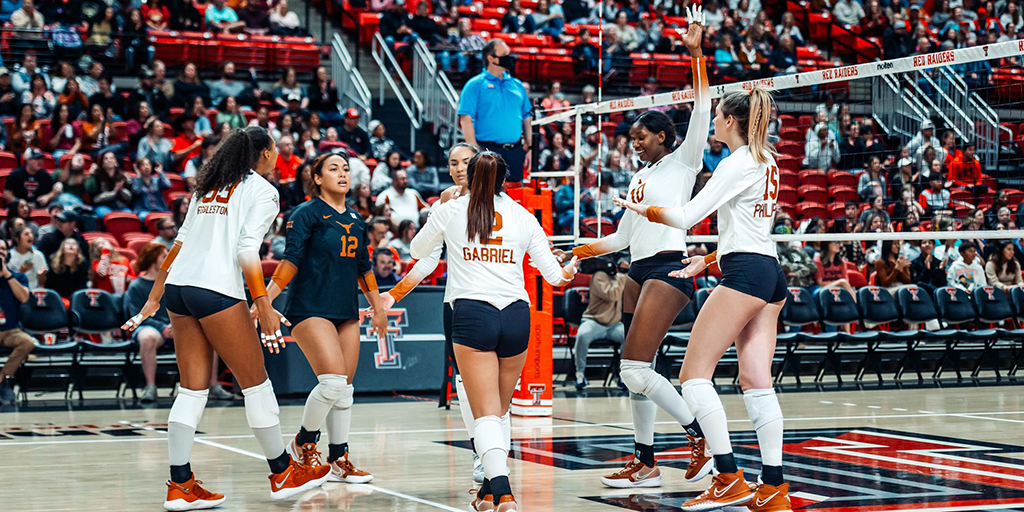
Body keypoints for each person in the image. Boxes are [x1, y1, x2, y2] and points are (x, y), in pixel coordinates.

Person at [121, 127, 330, 509]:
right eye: (274, 150)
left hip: (179, 288)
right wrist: (262, 303)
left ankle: (180, 484)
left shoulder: (208, 185)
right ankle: (282, 472)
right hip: (215, 288)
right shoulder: (264, 190)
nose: (275, 157)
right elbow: (247, 250)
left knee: (191, 390)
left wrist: (155, 297)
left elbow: (179, 243)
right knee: (256, 384)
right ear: (265, 153)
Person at [554, 6, 711, 490]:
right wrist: (578, 252)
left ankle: (700, 437)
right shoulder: (640, 178)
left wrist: (696, 54)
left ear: (663, 136)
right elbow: (620, 238)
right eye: (632, 139)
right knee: (638, 373)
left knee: (633, 369)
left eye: (640, 138)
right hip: (636, 271)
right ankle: (646, 462)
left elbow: (702, 109)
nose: (634, 144)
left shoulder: (683, 163)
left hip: (668, 269)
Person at [615, 86, 793, 510]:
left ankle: (727, 475)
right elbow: (749, 231)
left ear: (730, 121)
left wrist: (640, 209)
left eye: (717, 115)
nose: (713, 121)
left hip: (745, 274)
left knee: (694, 376)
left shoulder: (736, 161)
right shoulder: (767, 159)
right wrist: (709, 259)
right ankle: (773, 485)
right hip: (768, 272)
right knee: (757, 382)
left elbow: (686, 216)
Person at [410, 151, 578, 512]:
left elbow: (416, 249)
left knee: (485, 414)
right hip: (516, 316)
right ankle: (488, 491)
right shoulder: (523, 215)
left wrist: (437, 215)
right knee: (500, 412)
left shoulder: (451, 210)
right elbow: (555, 277)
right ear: (505, 181)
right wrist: (571, 267)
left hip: (473, 314)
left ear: (469, 177)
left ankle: (504, 493)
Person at [262, 152, 386, 484]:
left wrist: (378, 309)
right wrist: (265, 299)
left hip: (345, 309)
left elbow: (364, 268)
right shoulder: (305, 213)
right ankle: (304, 442)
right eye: (333, 169)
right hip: (308, 306)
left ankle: (338, 458)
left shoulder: (358, 219)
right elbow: (290, 260)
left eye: (346, 169)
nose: (342, 174)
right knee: (332, 382)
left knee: (344, 390)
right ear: (317, 178)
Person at [378, 143, 486, 481]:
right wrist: (393, 294)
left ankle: (495, 449)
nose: (459, 168)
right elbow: (426, 259)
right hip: (457, 301)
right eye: (453, 163)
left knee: (496, 386)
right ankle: (480, 452)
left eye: (465, 162)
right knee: (464, 382)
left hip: (497, 301)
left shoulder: (498, 200)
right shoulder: (444, 203)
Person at [458, 39, 532, 183]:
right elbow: (465, 119)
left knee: (514, 193)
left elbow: (527, 116)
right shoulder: (475, 85)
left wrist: (529, 145)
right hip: (487, 150)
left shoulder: (517, 85)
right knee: (487, 192)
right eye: (504, 54)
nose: (509, 58)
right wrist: (475, 151)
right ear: (491, 58)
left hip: (516, 151)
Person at [126, 243, 174, 402]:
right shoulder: (136, 285)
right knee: (147, 338)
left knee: (209, 334)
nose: (169, 258)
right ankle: (150, 386)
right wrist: (163, 327)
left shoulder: (172, 282)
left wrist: (176, 325)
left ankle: (212, 385)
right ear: (154, 259)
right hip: (149, 326)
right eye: (164, 255)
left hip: (173, 326)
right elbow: (137, 316)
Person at [574, 255, 627, 390]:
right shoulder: (599, 276)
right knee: (582, 335)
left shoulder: (621, 276)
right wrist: (622, 275)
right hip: (594, 321)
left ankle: (622, 374)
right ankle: (580, 373)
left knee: (629, 337)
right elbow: (612, 295)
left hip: (614, 324)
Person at [0, 238, 32, 404]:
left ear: (7, 253)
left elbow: (24, 298)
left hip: (11, 330)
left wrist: (7, 275)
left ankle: (2, 377)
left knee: (27, 342)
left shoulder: (19, 277)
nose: (0, 252)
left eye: (3, 249)